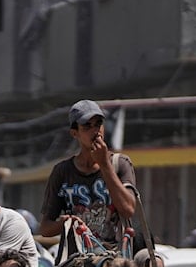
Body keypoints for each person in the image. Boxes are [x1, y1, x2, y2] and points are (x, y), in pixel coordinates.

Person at [38, 99, 137, 252]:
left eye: (98, 124)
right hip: (78, 258)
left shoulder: (120, 164)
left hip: (115, 256)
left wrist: (104, 165)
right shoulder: (63, 172)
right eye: (87, 126)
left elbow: (128, 209)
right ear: (74, 133)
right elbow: (45, 228)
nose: (95, 131)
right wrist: (67, 223)